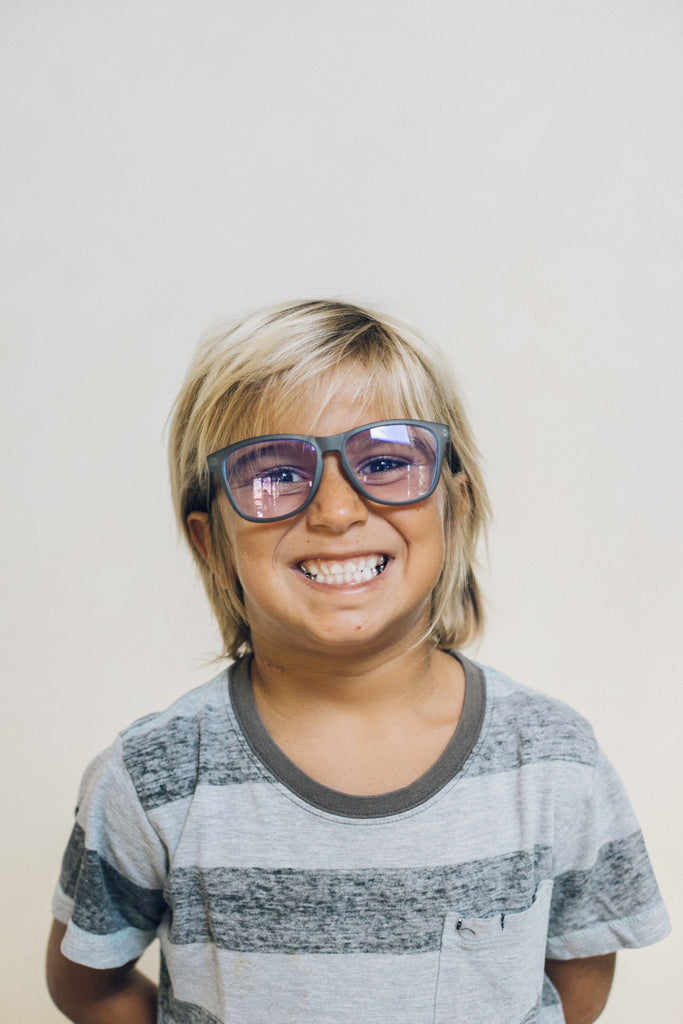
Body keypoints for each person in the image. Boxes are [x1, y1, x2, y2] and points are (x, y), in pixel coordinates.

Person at [47, 300, 670, 1024]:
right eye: (274, 473)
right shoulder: (150, 778)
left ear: (455, 507)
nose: (336, 511)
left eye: (384, 461)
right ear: (211, 544)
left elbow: (575, 980)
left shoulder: (554, 761)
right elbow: (87, 985)